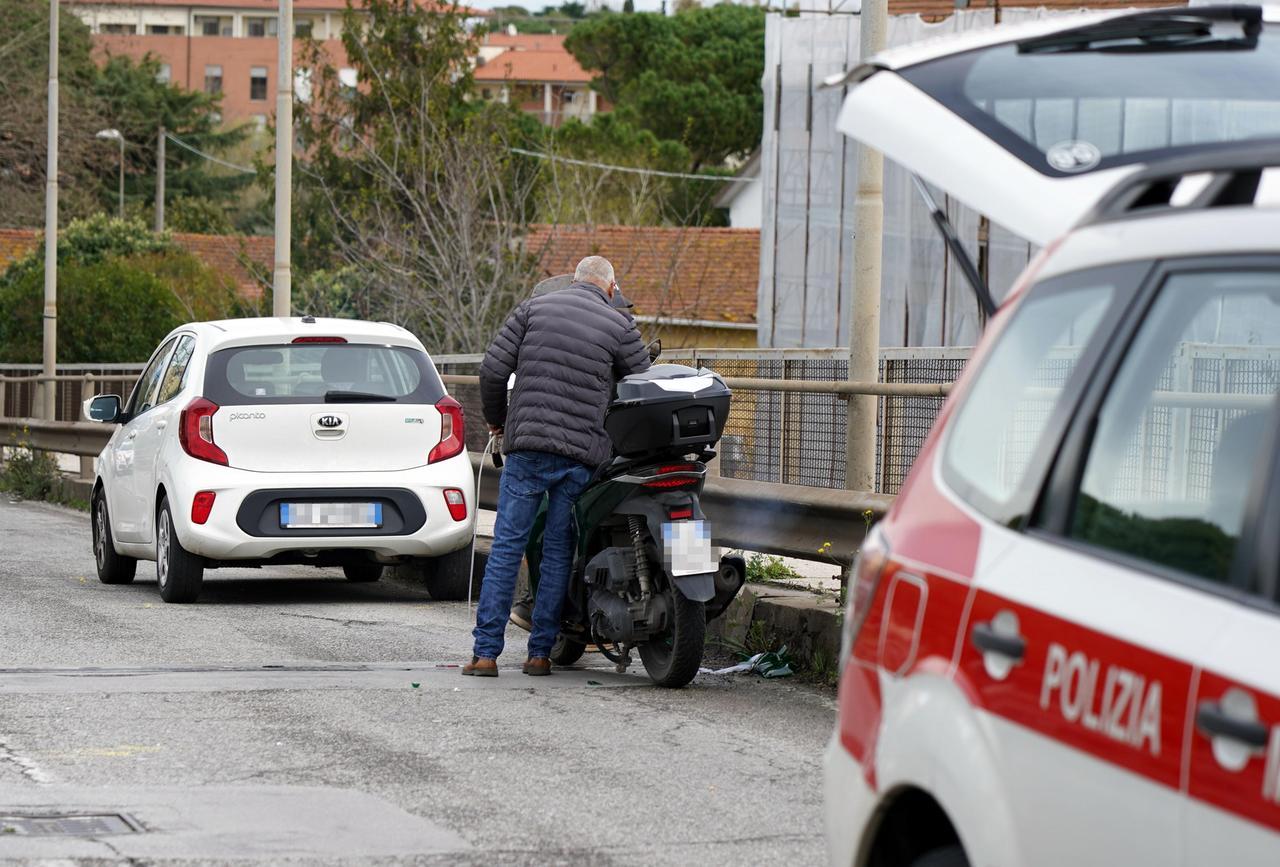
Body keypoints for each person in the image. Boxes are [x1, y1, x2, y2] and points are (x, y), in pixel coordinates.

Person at [464, 256, 651, 677]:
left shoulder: (532, 310)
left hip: (528, 447)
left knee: (508, 547)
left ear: (574, 281)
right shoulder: (619, 325)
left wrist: (498, 420)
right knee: (558, 552)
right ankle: (540, 654)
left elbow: (493, 368)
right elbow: (643, 383)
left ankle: (485, 655)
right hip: (582, 455)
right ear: (609, 286)